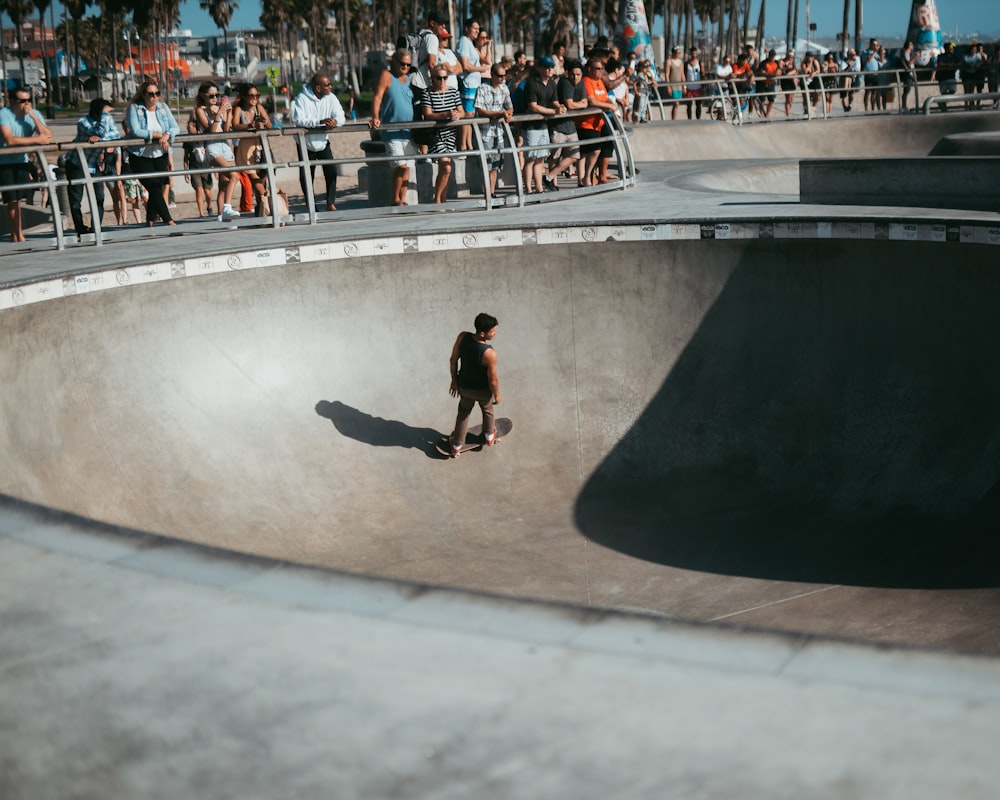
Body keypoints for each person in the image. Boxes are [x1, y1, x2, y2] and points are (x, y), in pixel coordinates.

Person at [0, 87, 52, 242]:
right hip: (4, 162)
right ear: (12, 102)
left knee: (19, 200)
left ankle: (18, 234)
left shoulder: (32, 114)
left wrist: (34, 116)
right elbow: (10, 140)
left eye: (29, 100)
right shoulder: (4, 114)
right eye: (22, 101)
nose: (26, 104)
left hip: (22, 161)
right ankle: (17, 236)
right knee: (11, 200)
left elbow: (48, 136)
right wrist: (37, 140)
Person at [446, 312, 501, 457]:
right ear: (483, 333)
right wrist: (497, 395)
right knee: (487, 409)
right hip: (483, 391)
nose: (495, 333)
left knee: (463, 413)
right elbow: (493, 380)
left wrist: (454, 381)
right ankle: (490, 437)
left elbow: (453, 360)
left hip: (464, 387)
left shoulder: (462, 337)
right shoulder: (490, 353)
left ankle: (457, 445)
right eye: (493, 331)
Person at [125, 80, 179, 227]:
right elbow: (136, 131)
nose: (154, 97)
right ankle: (169, 221)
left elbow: (175, 127)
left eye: (157, 93)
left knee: (156, 187)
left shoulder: (163, 108)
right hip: (140, 156)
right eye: (151, 94)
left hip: (160, 154)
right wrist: (156, 135)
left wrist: (167, 134)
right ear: (143, 95)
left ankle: (150, 221)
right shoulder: (135, 109)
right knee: (154, 188)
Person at [65, 97, 122, 236]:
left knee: (99, 197)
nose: (109, 115)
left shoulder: (106, 120)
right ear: (99, 112)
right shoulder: (83, 122)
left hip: (95, 164)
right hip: (77, 163)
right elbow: (101, 133)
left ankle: (95, 227)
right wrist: (104, 121)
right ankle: (80, 229)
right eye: (106, 112)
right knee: (76, 200)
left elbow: (116, 135)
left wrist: (100, 137)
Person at [291, 72, 346, 212]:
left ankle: (330, 203)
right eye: (327, 85)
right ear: (318, 88)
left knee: (331, 171)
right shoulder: (301, 98)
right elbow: (298, 120)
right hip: (305, 143)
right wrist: (319, 122)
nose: (331, 87)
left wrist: (335, 122)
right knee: (307, 176)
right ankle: (312, 206)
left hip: (322, 141)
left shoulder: (331, 98)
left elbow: (341, 116)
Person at [369, 48, 416, 206]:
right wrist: (375, 117)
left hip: (408, 132)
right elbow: (377, 97)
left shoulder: (410, 79)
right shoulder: (387, 75)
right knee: (400, 166)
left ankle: (402, 200)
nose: (405, 67)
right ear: (394, 62)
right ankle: (395, 199)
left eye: (408, 64)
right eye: (402, 63)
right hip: (391, 130)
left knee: (407, 167)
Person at [193, 81, 240, 221]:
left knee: (224, 185)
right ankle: (227, 208)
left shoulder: (219, 108)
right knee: (234, 176)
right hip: (213, 147)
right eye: (211, 95)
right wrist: (219, 113)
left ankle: (222, 216)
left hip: (225, 145)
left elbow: (226, 129)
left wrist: (229, 112)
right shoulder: (200, 110)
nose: (214, 98)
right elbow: (212, 131)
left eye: (217, 95)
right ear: (203, 96)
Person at [419, 66, 462, 203]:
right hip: (435, 134)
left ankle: (442, 199)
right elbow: (428, 114)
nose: (442, 81)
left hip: (450, 134)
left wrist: (456, 115)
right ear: (432, 79)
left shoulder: (453, 92)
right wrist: (445, 115)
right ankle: (437, 199)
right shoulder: (427, 93)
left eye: (445, 77)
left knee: (445, 168)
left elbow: (462, 111)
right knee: (446, 167)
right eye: (439, 78)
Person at [522, 55, 565, 194]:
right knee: (530, 159)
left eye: (551, 67)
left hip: (543, 125)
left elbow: (554, 100)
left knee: (540, 159)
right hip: (530, 126)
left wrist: (560, 107)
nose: (549, 70)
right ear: (539, 68)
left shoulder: (552, 83)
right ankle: (528, 189)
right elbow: (533, 106)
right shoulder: (532, 83)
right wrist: (553, 111)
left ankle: (539, 188)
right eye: (546, 67)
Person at [232, 83, 275, 216]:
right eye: (251, 95)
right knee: (253, 177)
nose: (254, 98)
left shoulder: (259, 107)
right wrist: (250, 125)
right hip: (246, 147)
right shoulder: (239, 109)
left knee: (263, 177)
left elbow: (270, 127)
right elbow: (235, 126)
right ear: (244, 96)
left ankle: (262, 208)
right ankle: (266, 203)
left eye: (257, 95)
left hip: (261, 146)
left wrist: (264, 121)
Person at [473, 62, 514, 196]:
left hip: (499, 132)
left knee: (496, 165)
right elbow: (480, 110)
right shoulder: (482, 88)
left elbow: (510, 106)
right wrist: (499, 114)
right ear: (492, 75)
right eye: (500, 76)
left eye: (504, 76)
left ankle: (491, 192)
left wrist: (508, 113)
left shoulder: (504, 88)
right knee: (486, 164)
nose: (502, 79)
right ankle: (487, 193)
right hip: (485, 133)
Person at [545, 59, 586, 187]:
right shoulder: (565, 83)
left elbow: (585, 103)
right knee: (554, 157)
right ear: (568, 73)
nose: (575, 77)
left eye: (578, 74)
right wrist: (579, 104)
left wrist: (576, 105)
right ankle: (554, 183)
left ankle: (549, 177)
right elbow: (569, 104)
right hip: (558, 127)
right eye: (573, 74)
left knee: (574, 156)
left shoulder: (581, 84)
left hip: (570, 127)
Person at [579, 58, 616, 185]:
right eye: (598, 69)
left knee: (608, 144)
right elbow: (592, 101)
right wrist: (610, 106)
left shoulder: (600, 81)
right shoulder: (586, 81)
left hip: (600, 121)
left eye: (602, 69)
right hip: (587, 122)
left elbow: (604, 99)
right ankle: (588, 176)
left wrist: (611, 103)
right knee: (592, 150)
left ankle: (602, 175)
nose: (601, 71)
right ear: (589, 69)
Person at [457, 18, 491, 151]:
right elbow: (465, 65)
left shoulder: (470, 43)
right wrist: (480, 69)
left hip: (474, 84)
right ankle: (463, 146)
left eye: (478, 29)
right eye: (475, 28)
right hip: (468, 83)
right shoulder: (464, 42)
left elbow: (487, 61)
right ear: (467, 28)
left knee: (471, 115)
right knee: (467, 115)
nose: (477, 31)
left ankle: (469, 145)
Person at [665, 46, 685, 119]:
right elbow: (667, 75)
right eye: (677, 52)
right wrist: (668, 86)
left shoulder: (681, 62)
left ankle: (674, 118)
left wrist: (684, 86)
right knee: (675, 103)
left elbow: (682, 74)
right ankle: (674, 119)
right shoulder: (669, 61)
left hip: (679, 85)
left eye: (680, 52)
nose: (679, 54)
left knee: (677, 104)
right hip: (672, 85)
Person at [684, 48, 704, 119]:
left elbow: (703, 73)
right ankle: (689, 119)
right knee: (689, 105)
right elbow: (684, 75)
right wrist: (684, 86)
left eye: (695, 53)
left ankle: (698, 119)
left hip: (698, 87)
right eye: (692, 53)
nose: (694, 55)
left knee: (698, 104)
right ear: (690, 54)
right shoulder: (686, 64)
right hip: (689, 87)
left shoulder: (700, 63)